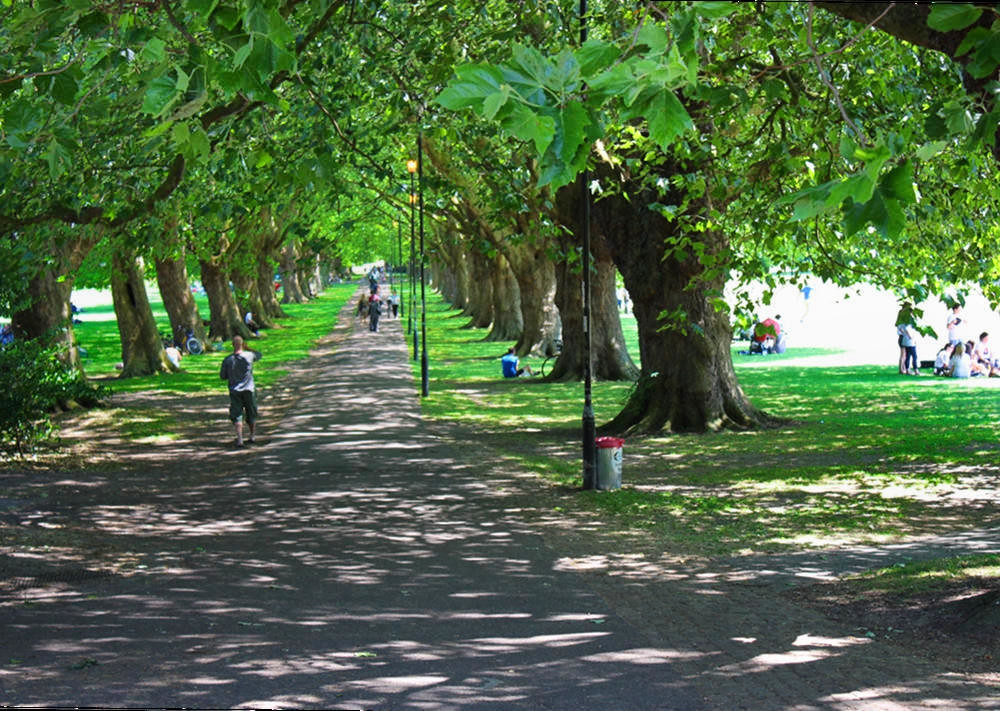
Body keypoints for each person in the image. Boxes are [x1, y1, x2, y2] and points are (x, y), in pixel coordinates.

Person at [220, 335, 262, 446]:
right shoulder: (249, 356)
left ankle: (240, 439)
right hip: (249, 389)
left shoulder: (228, 360)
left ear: (233, 345)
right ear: (242, 344)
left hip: (235, 390)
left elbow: (223, 376)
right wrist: (248, 348)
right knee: (251, 412)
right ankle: (252, 436)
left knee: (237, 414)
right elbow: (259, 355)